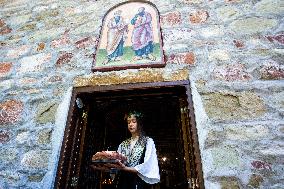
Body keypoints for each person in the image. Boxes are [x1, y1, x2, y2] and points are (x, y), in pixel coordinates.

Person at [115, 111, 160, 189]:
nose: (130, 124)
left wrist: (125, 168)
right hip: (123, 181)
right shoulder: (123, 144)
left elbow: (148, 165)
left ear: (139, 123)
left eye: (134, 121)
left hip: (139, 181)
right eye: (128, 122)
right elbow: (117, 162)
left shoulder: (148, 141)